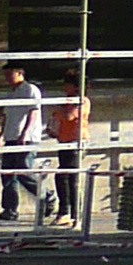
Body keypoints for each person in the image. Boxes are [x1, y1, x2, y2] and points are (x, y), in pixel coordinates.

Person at [0, 63, 45, 220]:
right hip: (11, 137)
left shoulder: (30, 89)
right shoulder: (11, 93)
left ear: (20, 73)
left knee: (23, 171)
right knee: (7, 174)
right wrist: (1, 135)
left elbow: (33, 111)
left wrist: (25, 133)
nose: (7, 78)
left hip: (26, 139)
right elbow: (6, 116)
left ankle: (45, 195)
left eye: (10, 74)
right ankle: (9, 209)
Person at [51, 73, 89, 222]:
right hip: (64, 141)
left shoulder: (82, 101)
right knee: (62, 176)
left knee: (71, 177)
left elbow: (69, 116)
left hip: (76, 141)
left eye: (67, 85)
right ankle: (64, 210)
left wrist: (59, 111)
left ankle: (74, 213)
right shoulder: (66, 102)